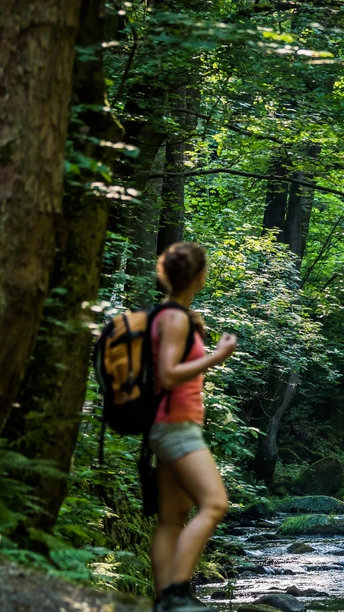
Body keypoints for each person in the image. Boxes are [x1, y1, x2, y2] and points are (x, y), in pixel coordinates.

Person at [148, 242, 237, 612]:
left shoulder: (173, 317)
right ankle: (177, 594)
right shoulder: (174, 319)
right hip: (175, 426)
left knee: (172, 517)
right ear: (200, 276)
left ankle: (162, 600)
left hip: (169, 423)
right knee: (215, 503)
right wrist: (216, 356)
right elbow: (167, 374)